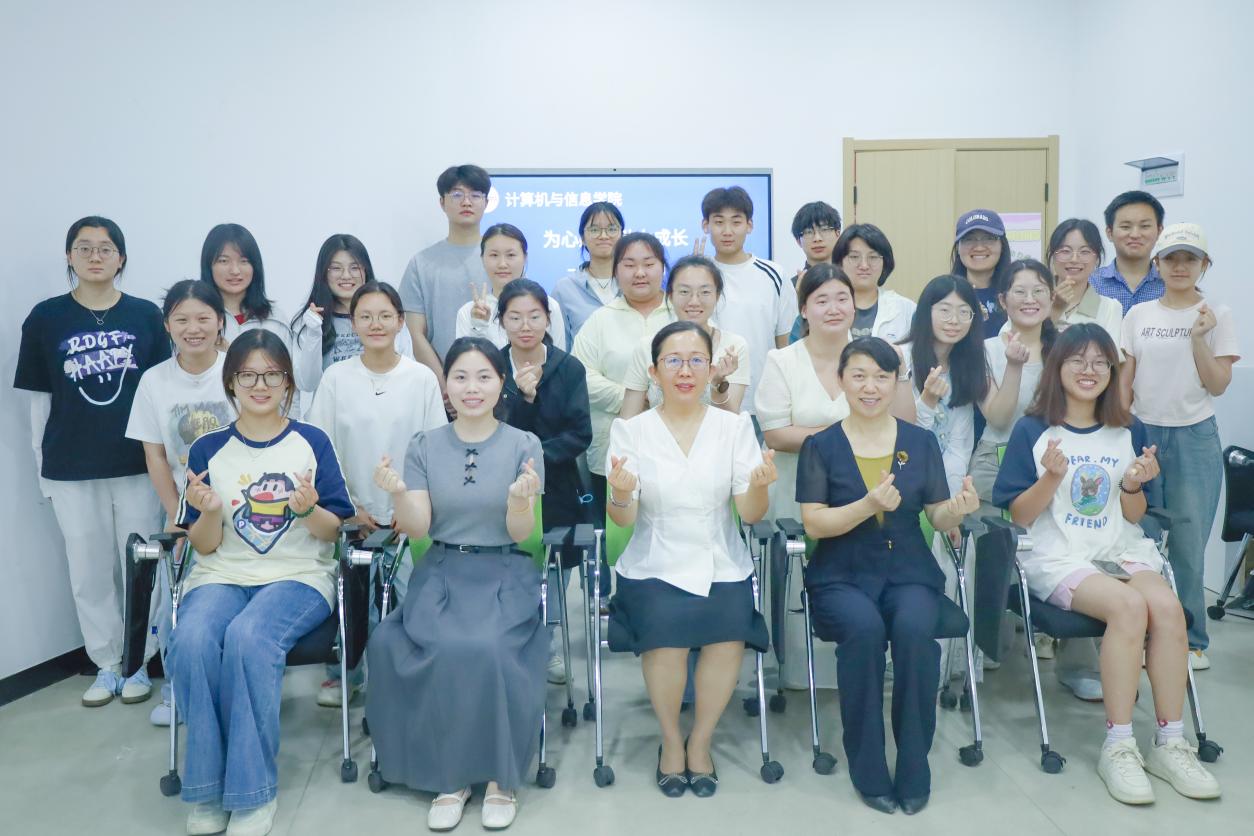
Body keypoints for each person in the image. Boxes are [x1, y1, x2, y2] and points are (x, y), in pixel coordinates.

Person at [994, 324, 1221, 805]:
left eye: (1100, 362)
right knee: (1127, 607)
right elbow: (1019, 516)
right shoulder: (1033, 430)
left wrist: (1134, 485)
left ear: (1112, 372)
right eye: (1078, 360)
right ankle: (1118, 746)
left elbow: (1135, 515)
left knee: (1169, 610)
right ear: (1057, 368)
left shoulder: (1130, 429)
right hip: (1058, 554)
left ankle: (1170, 742)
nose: (1089, 370)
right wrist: (1050, 478)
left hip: (1120, 547)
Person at [167, 330, 354, 836]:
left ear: (288, 383)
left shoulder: (312, 442)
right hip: (221, 575)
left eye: (272, 374)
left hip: (298, 577)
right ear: (231, 382)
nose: (260, 385)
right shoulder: (208, 448)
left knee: (249, 637)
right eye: (248, 374)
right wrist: (208, 512)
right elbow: (204, 545)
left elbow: (334, 531)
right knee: (192, 639)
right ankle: (209, 789)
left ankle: (251, 794)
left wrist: (309, 509)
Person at [366, 337, 545, 832]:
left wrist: (519, 502)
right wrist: (398, 495)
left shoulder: (524, 445)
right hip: (443, 571)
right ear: (445, 385)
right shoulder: (424, 445)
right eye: (460, 377)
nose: (472, 388)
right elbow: (419, 526)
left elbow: (522, 534)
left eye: (484, 376)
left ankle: (499, 779)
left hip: (505, 570)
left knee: (486, 647)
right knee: (412, 645)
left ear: (501, 383)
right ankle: (451, 777)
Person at [797, 337, 980, 815]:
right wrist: (867, 505)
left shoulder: (919, 442)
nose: (870, 387)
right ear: (842, 380)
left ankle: (914, 764)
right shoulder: (821, 446)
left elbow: (936, 514)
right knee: (863, 631)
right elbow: (814, 523)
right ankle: (868, 767)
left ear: (897, 383)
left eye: (882, 377)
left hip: (909, 572)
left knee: (916, 631)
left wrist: (957, 509)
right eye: (859, 375)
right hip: (841, 574)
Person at [605, 321, 775, 798]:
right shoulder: (631, 430)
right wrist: (620, 494)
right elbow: (622, 519)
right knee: (665, 635)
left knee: (728, 634)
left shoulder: (734, 427)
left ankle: (700, 742)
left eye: (696, 360)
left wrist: (760, 486)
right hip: (653, 562)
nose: (685, 371)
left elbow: (749, 513)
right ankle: (670, 741)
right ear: (654, 372)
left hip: (722, 559)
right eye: (674, 361)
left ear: (711, 368)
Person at [14, 216, 170, 708]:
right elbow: (38, 402)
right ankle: (105, 662)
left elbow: (162, 392)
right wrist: (42, 469)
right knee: (88, 570)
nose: (95, 256)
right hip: (70, 468)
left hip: (138, 464)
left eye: (105, 248)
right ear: (69, 257)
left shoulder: (146, 316)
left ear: (121, 258)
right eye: (84, 248)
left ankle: (139, 660)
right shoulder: (46, 318)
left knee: (144, 565)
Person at [304, 281, 446, 707]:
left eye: (385, 315)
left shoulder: (420, 378)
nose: (376, 324)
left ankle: (413, 677)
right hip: (355, 517)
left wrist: (411, 506)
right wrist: (350, 509)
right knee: (354, 602)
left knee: (414, 603)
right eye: (365, 316)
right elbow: (321, 451)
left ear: (400, 322)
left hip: (410, 518)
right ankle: (346, 673)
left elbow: (433, 449)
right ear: (353, 323)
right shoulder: (336, 378)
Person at [1121, 224, 1238, 671]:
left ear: (1204, 265)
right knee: (1139, 537)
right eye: (1171, 258)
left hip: (1194, 437)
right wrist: (1120, 431)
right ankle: (1144, 633)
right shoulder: (1139, 315)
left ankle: (1191, 640)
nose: (1180, 266)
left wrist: (1197, 337)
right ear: (1157, 264)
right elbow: (1126, 383)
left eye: (1190, 258)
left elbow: (1218, 384)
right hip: (1143, 433)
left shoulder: (1216, 314)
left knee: (1188, 545)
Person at [125, 279, 235, 725]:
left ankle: (233, 682)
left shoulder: (238, 369)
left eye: (203, 318)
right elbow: (155, 455)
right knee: (178, 600)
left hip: (241, 510)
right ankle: (177, 690)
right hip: (188, 513)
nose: (194, 328)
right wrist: (178, 516)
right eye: (182, 319)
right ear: (167, 325)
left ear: (220, 322)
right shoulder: (154, 381)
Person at [496, 279, 593, 684]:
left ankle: (547, 645)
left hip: (557, 489)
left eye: (534, 316)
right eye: (515, 317)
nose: (525, 326)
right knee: (510, 571)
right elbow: (494, 429)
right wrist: (524, 399)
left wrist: (534, 461)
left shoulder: (568, 368)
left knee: (554, 572)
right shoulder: (492, 367)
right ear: (502, 321)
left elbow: (580, 434)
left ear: (548, 319)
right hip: (503, 489)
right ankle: (511, 646)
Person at [571, 232, 674, 518]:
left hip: (677, 443)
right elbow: (581, 375)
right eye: (629, 265)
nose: (639, 273)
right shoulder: (600, 319)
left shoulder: (682, 314)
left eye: (649, 264)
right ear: (616, 270)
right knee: (617, 526)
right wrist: (632, 397)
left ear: (663, 268)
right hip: (614, 448)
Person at [698, 186, 797, 413]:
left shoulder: (774, 275)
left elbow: (785, 344)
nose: (727, 231)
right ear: (706, 225)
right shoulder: (698, 275)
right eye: (718, 222)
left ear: (749, 225)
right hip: (706, 401)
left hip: (762, 401)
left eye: (736, 222)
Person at [619, 255, 749, 418]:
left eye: (705, 292)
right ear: (670, 295)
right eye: (684, 292)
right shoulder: (647, 347)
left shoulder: (733, 347)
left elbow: (731, 420)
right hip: (658, 434)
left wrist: (718, 384)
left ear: (717, 296)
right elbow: (628, 418)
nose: (694, 301)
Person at [400, 163, 492, 391]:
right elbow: (415, 333)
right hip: (440, 386)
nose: (467, 202)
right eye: (457, 195)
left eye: (475, 195)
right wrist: (444, 384)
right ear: (442, 202)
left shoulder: (502, 259)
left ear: (486, 202)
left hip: (496, 384)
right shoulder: (421, 263)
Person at [290, 234, 413, 396]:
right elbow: (307, 383)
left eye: (355, 267)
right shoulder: (311, 320)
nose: (346, 275)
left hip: (384, 405)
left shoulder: (387, 315)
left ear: (365, 270)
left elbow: (408, 372)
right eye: (336, 268)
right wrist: (314, 333)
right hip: (332, 409)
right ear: (324, 273)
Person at [454, 223, 567, 350]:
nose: (502, 264)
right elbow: (465, 360)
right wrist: (478, 326)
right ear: (482, 259)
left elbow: (558, 358)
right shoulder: (468, 312)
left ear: (525, 258)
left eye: (511, 255)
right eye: (494, 255)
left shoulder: (548, 306)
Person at [200, 223, 291, 351]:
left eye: (244, 261)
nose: (235, 270)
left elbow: (287, 363)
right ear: (209, 266)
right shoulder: (196, 318)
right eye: (224, 261)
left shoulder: (275, 319)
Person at [550, 201, 624, 346]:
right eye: (594, 230)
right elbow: (559, 347)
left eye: (611, 229)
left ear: (622, 234)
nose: (604, 236)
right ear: (582, 238)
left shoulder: (634, 283)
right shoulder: (565, 289)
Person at [833, 224, 915, 342]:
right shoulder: (827, 309)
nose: (864, 266)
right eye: (854, 257)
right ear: (840, 263)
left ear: (885, 263)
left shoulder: (906, 309)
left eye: (873, 257)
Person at [1048, 219, 1123, 345]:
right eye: (1065, 251)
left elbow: (1110, 356)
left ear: (1097, 258)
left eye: (1084, 252)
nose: (1074, 259)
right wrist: (1054, 310)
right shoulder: (1034, 301)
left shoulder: (1110, 308)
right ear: (1053, 256)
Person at [1091, 191, 1166, 315]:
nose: (1135, 235)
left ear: (1159, 231)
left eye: (1144, 226)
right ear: (1109, 233)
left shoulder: (1170, 285)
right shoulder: (1092, 283)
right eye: (1125, 227)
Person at [788, 201, 842, 342]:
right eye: (808, 232)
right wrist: (800, 299)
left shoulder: (848, 281)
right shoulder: (789, 287)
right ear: (798, 241)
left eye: (824, 230)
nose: (817, 238)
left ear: (838, 234)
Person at [951, 209, 1012, 335]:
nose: (979, 247)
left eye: (989, 238)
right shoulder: (945, 294)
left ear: (1002, 245)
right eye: (969, 239)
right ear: (958, 248)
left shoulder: (1016, 293)